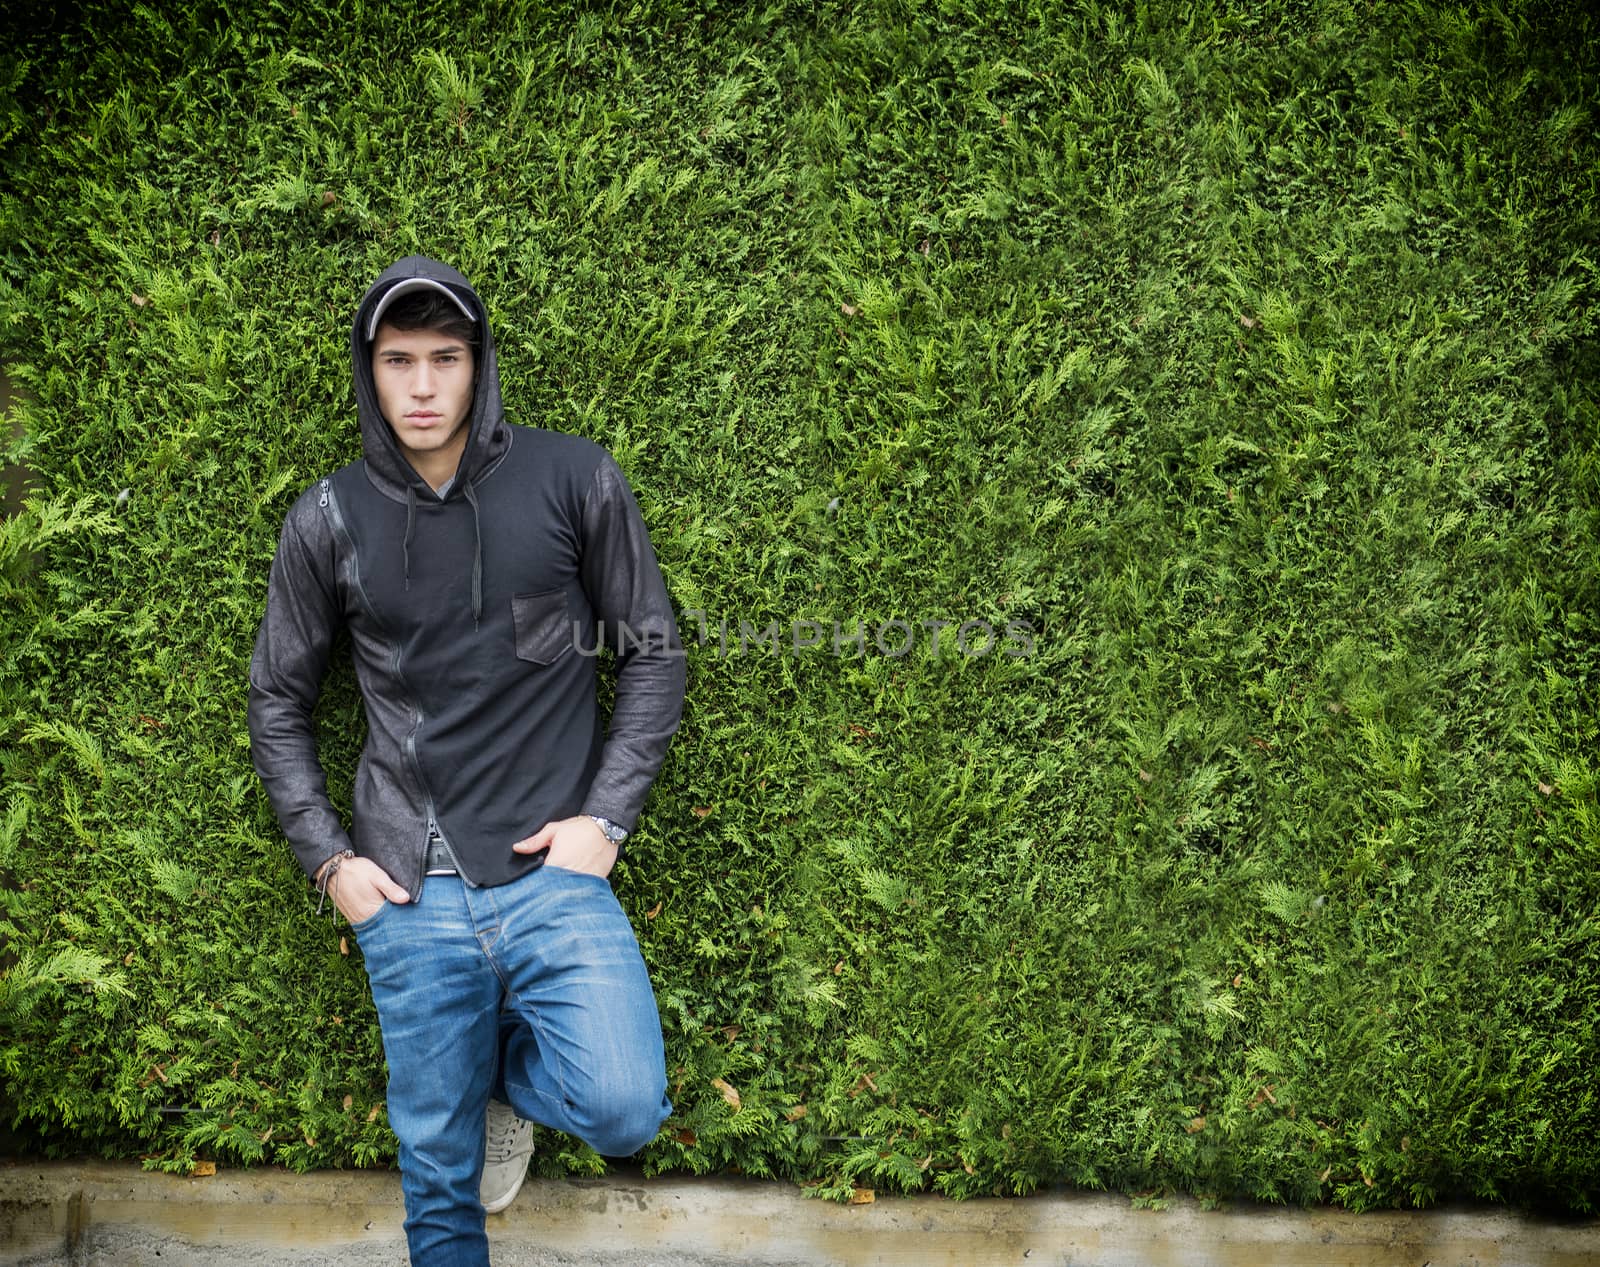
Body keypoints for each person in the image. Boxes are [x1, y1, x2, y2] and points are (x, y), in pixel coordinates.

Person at [247, 255, 686, 1266]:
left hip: (552, 874)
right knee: (439, 1184)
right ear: (371, 371)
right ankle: (472, 1088)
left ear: (479, 365)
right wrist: (330, 862)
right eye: (400, 359)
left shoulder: (575, 479)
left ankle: (506, 1082)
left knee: (623, 1108)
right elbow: (278, 699)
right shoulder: (327, 519)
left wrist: (605, 818)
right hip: (409, 886)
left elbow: (652, 651)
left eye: (446, 357)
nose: (424, 385)